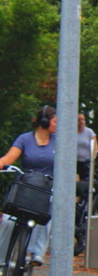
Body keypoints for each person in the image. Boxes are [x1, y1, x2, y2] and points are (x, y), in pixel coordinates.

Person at [0, 106, 57, 266]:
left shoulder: (59, 141)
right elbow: (8, 159)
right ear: (44, 122)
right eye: (55, 122)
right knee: (8, 221)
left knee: (47, 215)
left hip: (48, 187)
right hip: (27, 185)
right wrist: (1, 163)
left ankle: (35, 253)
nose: (58, 125)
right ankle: (1, 259)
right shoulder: (25, 139)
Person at [76, 113, 98, 181]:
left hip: (86, 162)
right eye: (79, 120)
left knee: (87, 181)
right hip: (75, 162)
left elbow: (95, 146)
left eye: (83, 120)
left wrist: (92, 159)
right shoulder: (71, 132)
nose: (81, 122)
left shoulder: (89, 132)